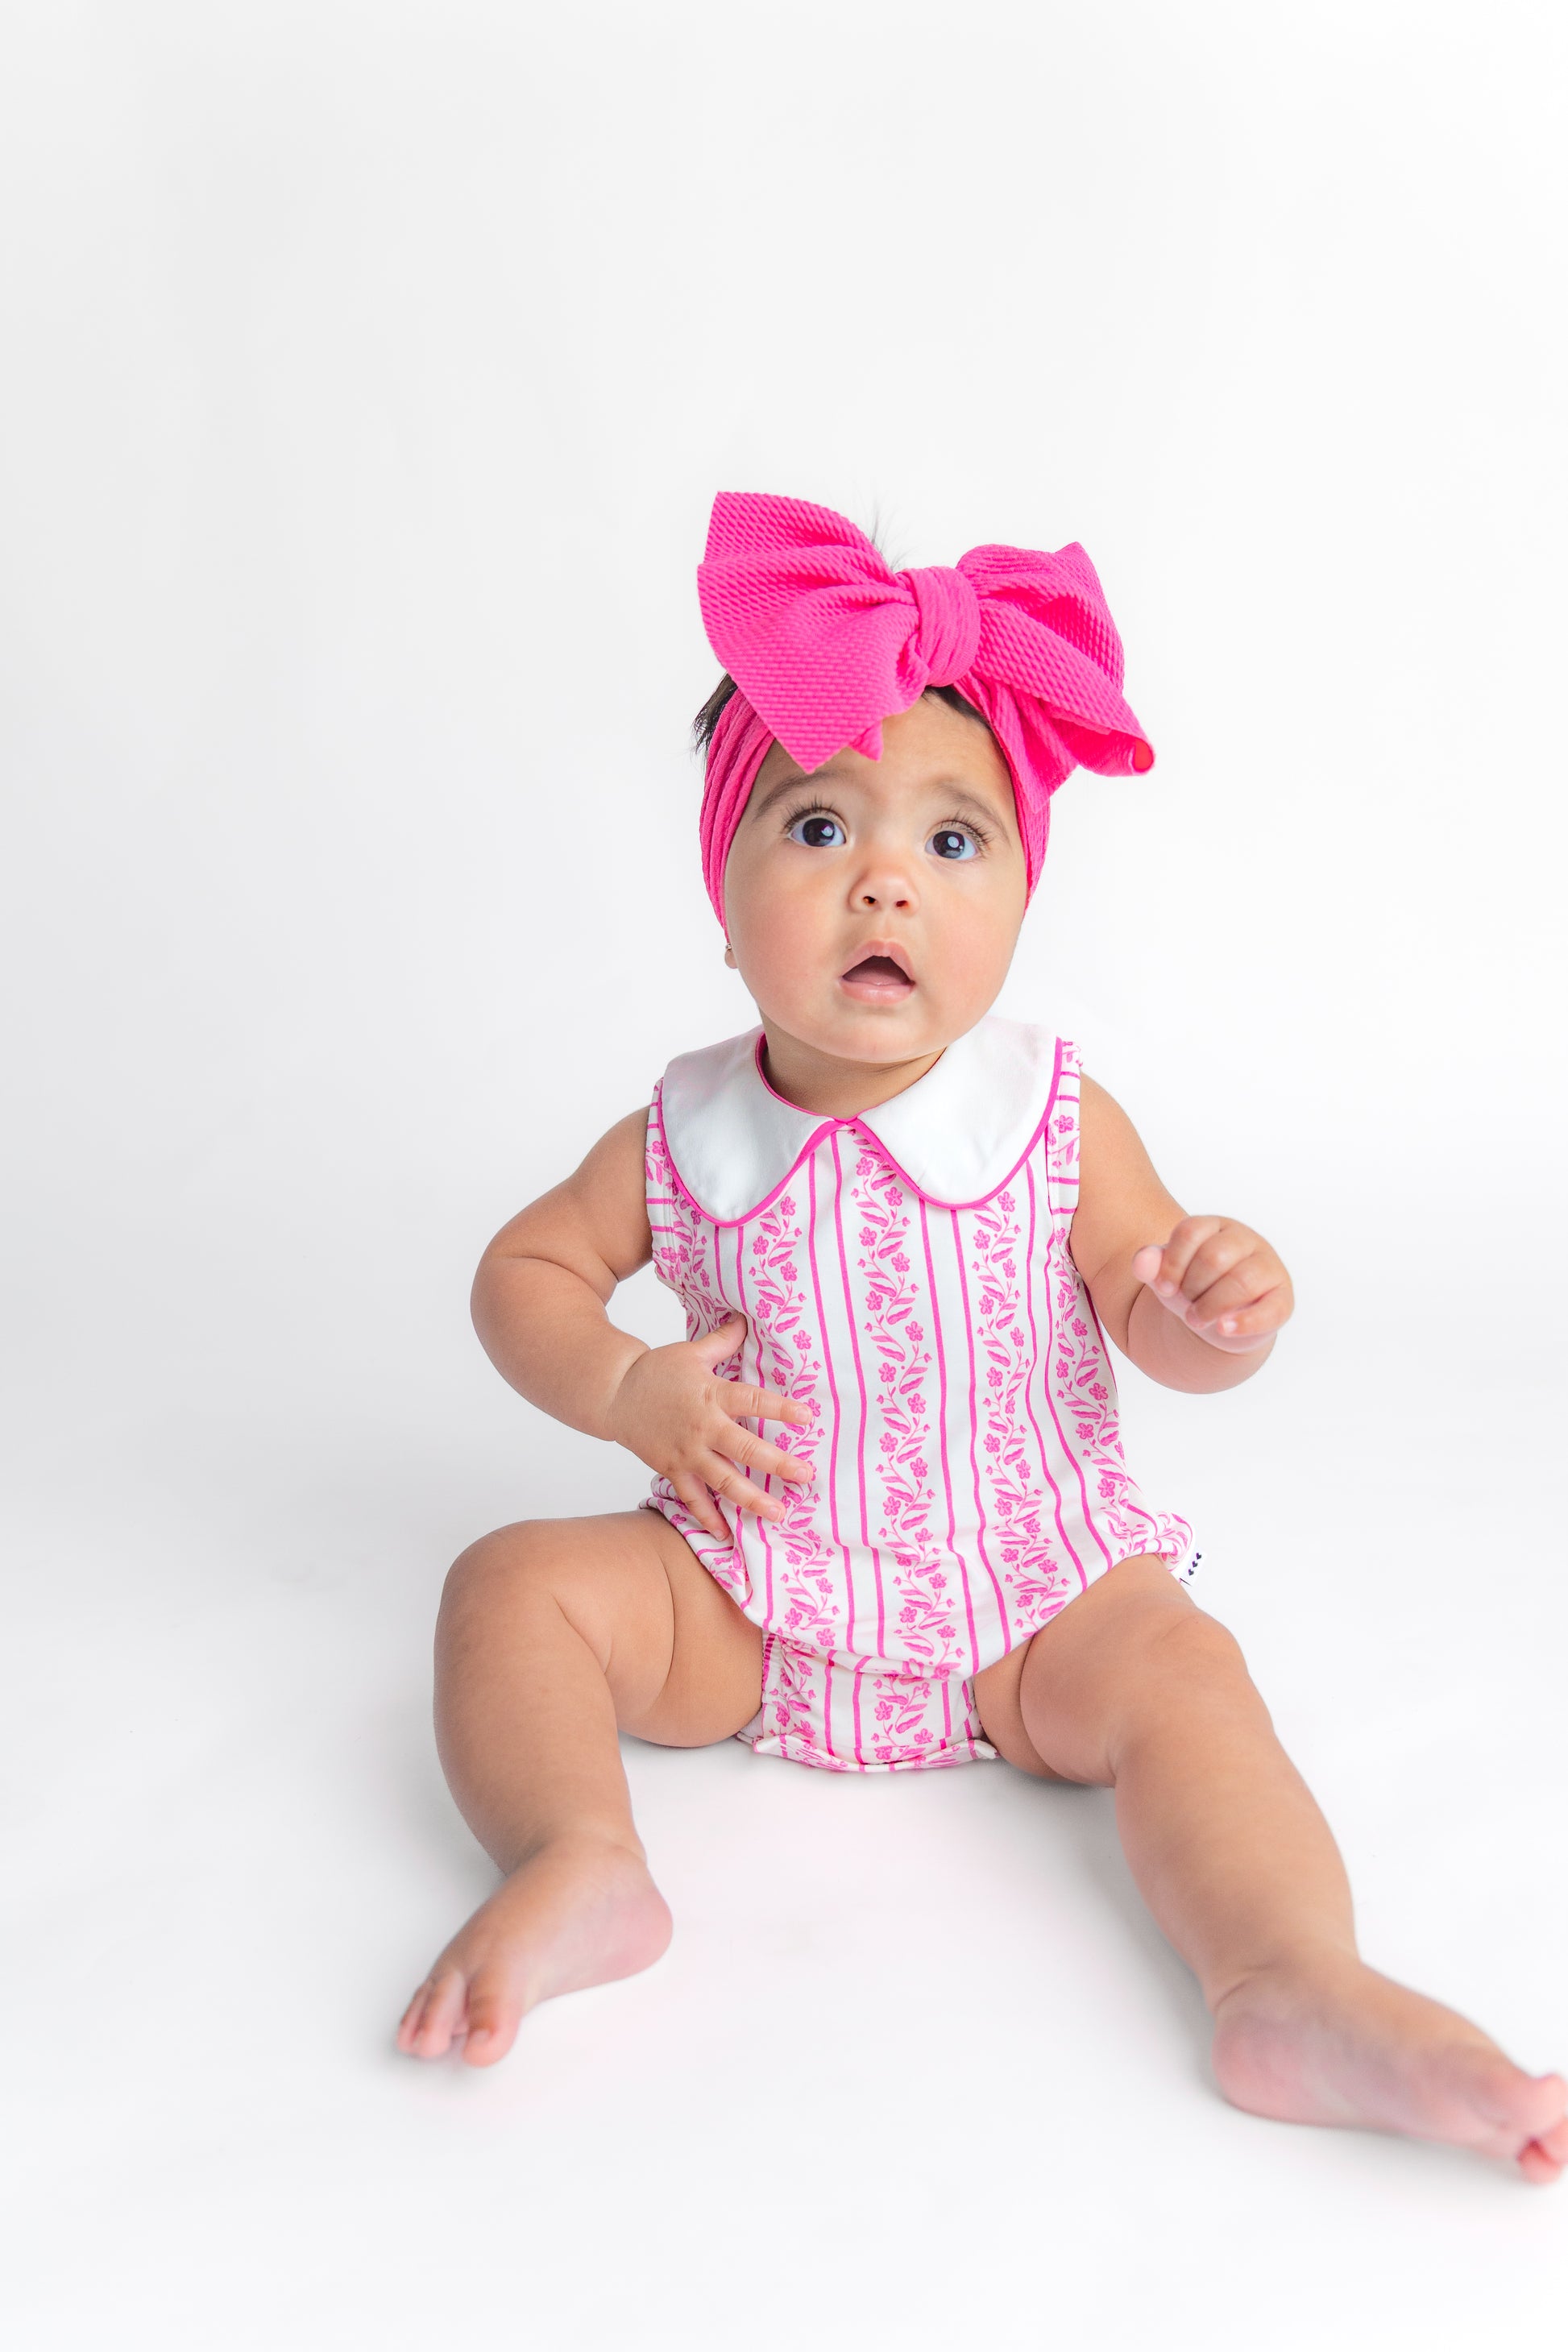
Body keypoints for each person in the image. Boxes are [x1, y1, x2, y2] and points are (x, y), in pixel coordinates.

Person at [396, 492, 1565, 2183]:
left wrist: (1210, 1311)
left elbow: (1158, 1333)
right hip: (742, 1588)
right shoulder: (684, 1129)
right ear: (720, 899)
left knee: (1188, 1679)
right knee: (506, 1584)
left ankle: (1286, 1976)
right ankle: (580, 1853)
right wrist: (623, 1386)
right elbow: (524, 1270)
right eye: (815, 828)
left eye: (954, 841)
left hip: (1037, 1601)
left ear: (1019, 898)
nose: (883, 875)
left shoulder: (1056, 1121)